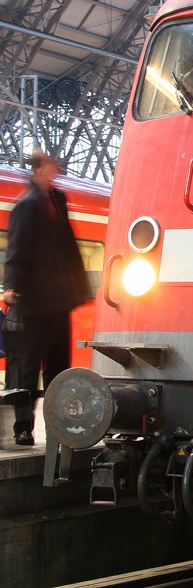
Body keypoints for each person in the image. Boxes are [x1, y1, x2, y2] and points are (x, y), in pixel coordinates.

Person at [3, 150, 90, 446]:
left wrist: (79, 288)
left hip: (59, 301)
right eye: (51, 166)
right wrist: (11, 285)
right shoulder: (26, 207)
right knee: (28, 369)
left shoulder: (57, 201)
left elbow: (69, 247)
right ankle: (23, 427)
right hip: (36, 304)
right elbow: (16, 251)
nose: (55, 171)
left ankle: (57, 424)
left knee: (58, 367)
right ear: (39, 169)